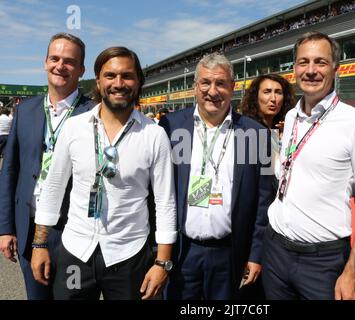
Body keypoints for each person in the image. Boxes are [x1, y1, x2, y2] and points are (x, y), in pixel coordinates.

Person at [30, 47, 177, 300]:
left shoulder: (154, 134)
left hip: (129, 255)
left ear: (139, 81)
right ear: (98, 81)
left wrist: (162, 263)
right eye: (110, 76)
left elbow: (165, 202)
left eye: (127, 76)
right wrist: (40, 244)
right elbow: (53, 188)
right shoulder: (74, 128)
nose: (118, 83)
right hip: (76, 250)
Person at [262, 31, 355, 300]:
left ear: (335, 67)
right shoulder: (290, 116)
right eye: (303, 62)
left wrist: (352, 269)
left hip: (323, 262)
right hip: (275, 249)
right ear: (294, 68)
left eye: (320, 62)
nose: (310, 70)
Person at [159, 53, 272, 299]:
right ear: (195, 87)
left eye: (220, 83)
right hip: (182, 251)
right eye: (205, 83)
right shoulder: (170, 127)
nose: (213, 91)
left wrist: (255, 254)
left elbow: (264, 201)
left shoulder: (256, 134)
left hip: (230, 254)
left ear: (233, 87)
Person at [0, 33, 94, 300]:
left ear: (81, 70)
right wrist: (5, 228)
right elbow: (10, 172)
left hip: (73, 232)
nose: (60, 66)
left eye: (69, 61)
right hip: (28, 228)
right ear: (45, 62)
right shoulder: (25, 110)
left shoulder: (93, 113)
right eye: (54, 58)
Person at [240, 74, 296, 195]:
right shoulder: (244, 131)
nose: (273, 98)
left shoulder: (283, 131)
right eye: (267, 92)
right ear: (255, 97)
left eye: (278, 92)